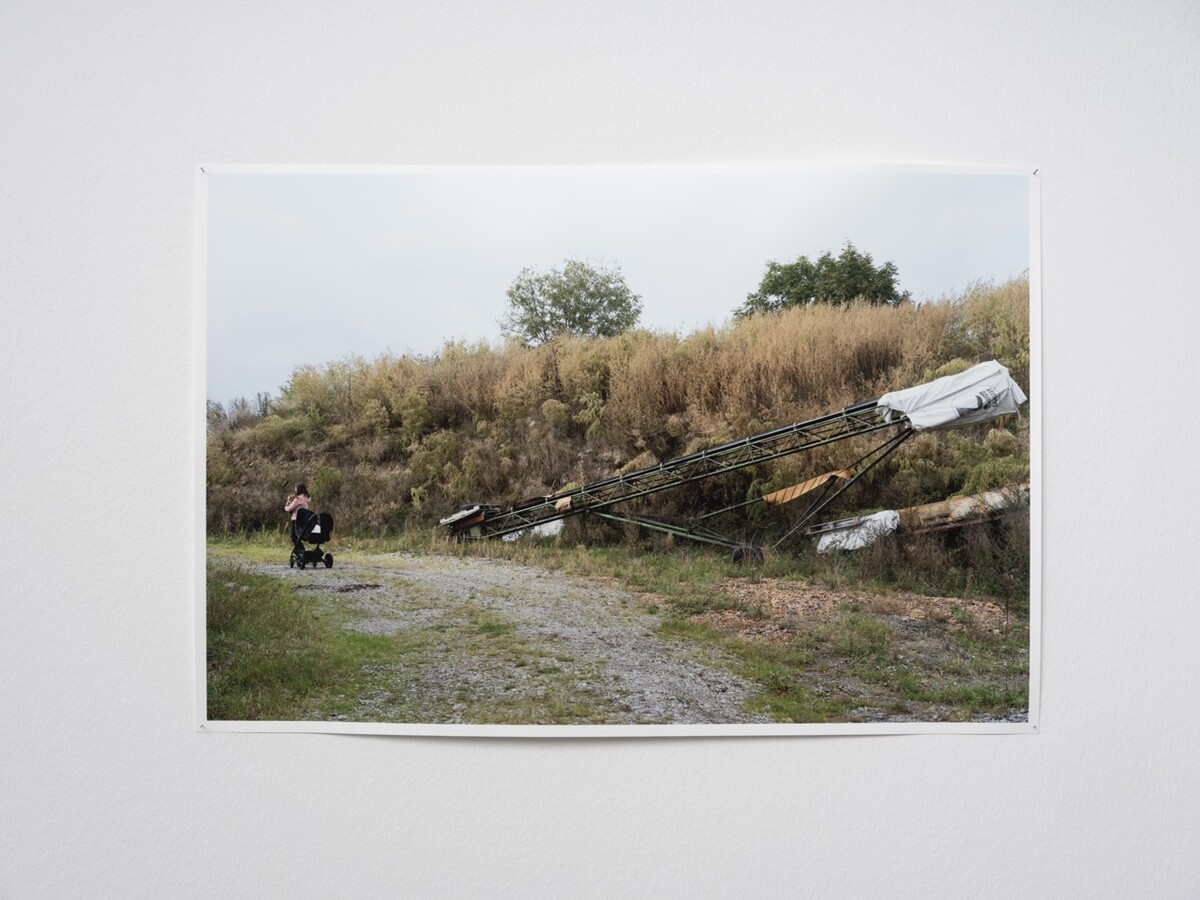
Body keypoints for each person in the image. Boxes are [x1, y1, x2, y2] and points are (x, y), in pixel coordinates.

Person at [285, 483, 311, 555]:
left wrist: (287, 502)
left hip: (296, 519)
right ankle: (301, 551)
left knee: (294, 537)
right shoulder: (307, 498)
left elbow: (289, 508)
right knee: (298, 536)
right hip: (303, 520)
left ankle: (302, 552)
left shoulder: (298, 499)